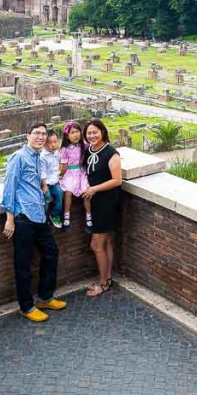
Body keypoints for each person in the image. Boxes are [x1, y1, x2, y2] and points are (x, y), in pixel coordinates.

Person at [0, 122, 66, 322]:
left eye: (43, 134)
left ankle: (45, 297)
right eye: (36, 133)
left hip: (38, 215)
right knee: (24, 264)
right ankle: (27, 306)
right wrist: (9, 218)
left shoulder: (38, 158)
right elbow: (9, 187)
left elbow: (37, 183)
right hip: (23, 218)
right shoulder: (19, 157)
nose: (40, 137)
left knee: (51, 253)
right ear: (27, 135)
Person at [82, 118, 122, 297]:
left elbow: (117, 180)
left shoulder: (111, 153)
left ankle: (103, 283)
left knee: (96, 244)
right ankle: (108, 278)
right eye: (89, 133)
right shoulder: (89, 151)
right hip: (95, 202)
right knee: (106, 242)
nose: (92, 136)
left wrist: (94, 189)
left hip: (107, 202)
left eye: (95, 132)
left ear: (103, 132)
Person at [59, 120, 90, 230]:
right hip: (70, 173)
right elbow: (64, 166)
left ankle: (89, 217)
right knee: (68, 192)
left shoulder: (84, 146)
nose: (76, 135)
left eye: (77, 131)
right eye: (72, 132)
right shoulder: (65, 149)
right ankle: (66, 217)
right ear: (67, 136)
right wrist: (61, 175)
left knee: (86, 192)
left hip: (82, 173)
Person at [40, 130, 64, 228]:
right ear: (45, 143)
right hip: (46, 183)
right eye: (50, 142)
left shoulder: (56, 153)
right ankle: (43, 218)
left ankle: (54, 214)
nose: (53, 145)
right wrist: (44, 186)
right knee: (46, 200)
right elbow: (42, 173)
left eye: (55, 141)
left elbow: (60, 163)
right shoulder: (42, 156)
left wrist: (60, 174)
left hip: (55, 182)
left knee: (59, 194)